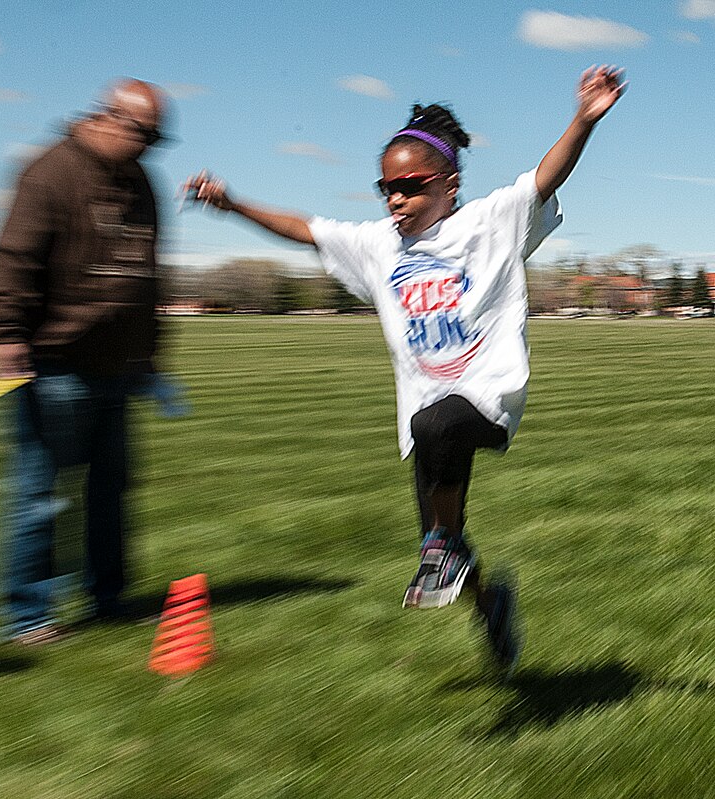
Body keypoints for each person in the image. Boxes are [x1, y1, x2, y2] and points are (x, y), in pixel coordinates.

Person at [182, 66, 626, 672]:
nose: (397, 198)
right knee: (444, 531)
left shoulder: (487, 224)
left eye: (411, 185)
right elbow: (304, 230)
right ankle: (489, 603)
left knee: (438, 432)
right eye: (386, 187)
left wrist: (583, 119)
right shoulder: (378, 247)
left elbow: (545, 178)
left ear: (448, 183)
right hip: (425, 413)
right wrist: (230, 204)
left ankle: (441, 547)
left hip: (487, 397)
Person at [0, 78, 170, 645]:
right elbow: (13, 257)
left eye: (156, 139)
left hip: (118, 368)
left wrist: (148, 351)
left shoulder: (141, 183)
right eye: (143, 134)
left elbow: (147, 275)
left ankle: (108, 599)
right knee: (41, 494)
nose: (148, 148)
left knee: (112, 491)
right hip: (54, 365)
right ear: (108, 117)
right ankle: (27, 615)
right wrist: (2, 332)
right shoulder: (49, 172)